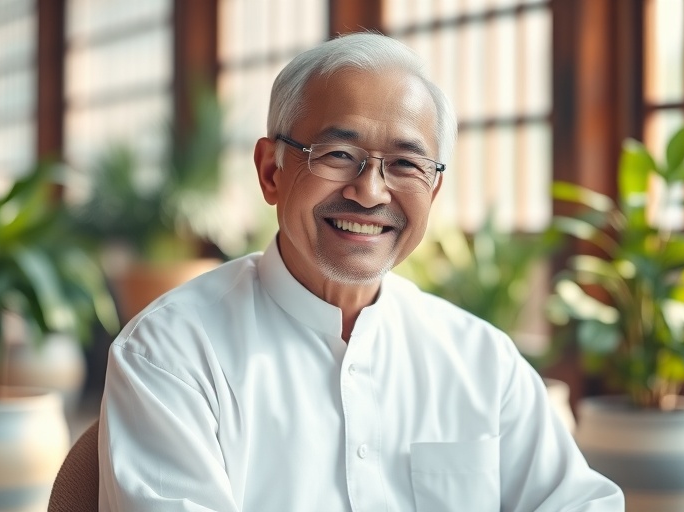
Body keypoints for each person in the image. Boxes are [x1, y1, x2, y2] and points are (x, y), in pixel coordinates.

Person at [98, 32, 624, 511]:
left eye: (405, 164)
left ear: (433, 190)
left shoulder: (483, 361)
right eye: (338, 153)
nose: (370, 191)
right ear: (270, 171)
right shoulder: (171, 355)